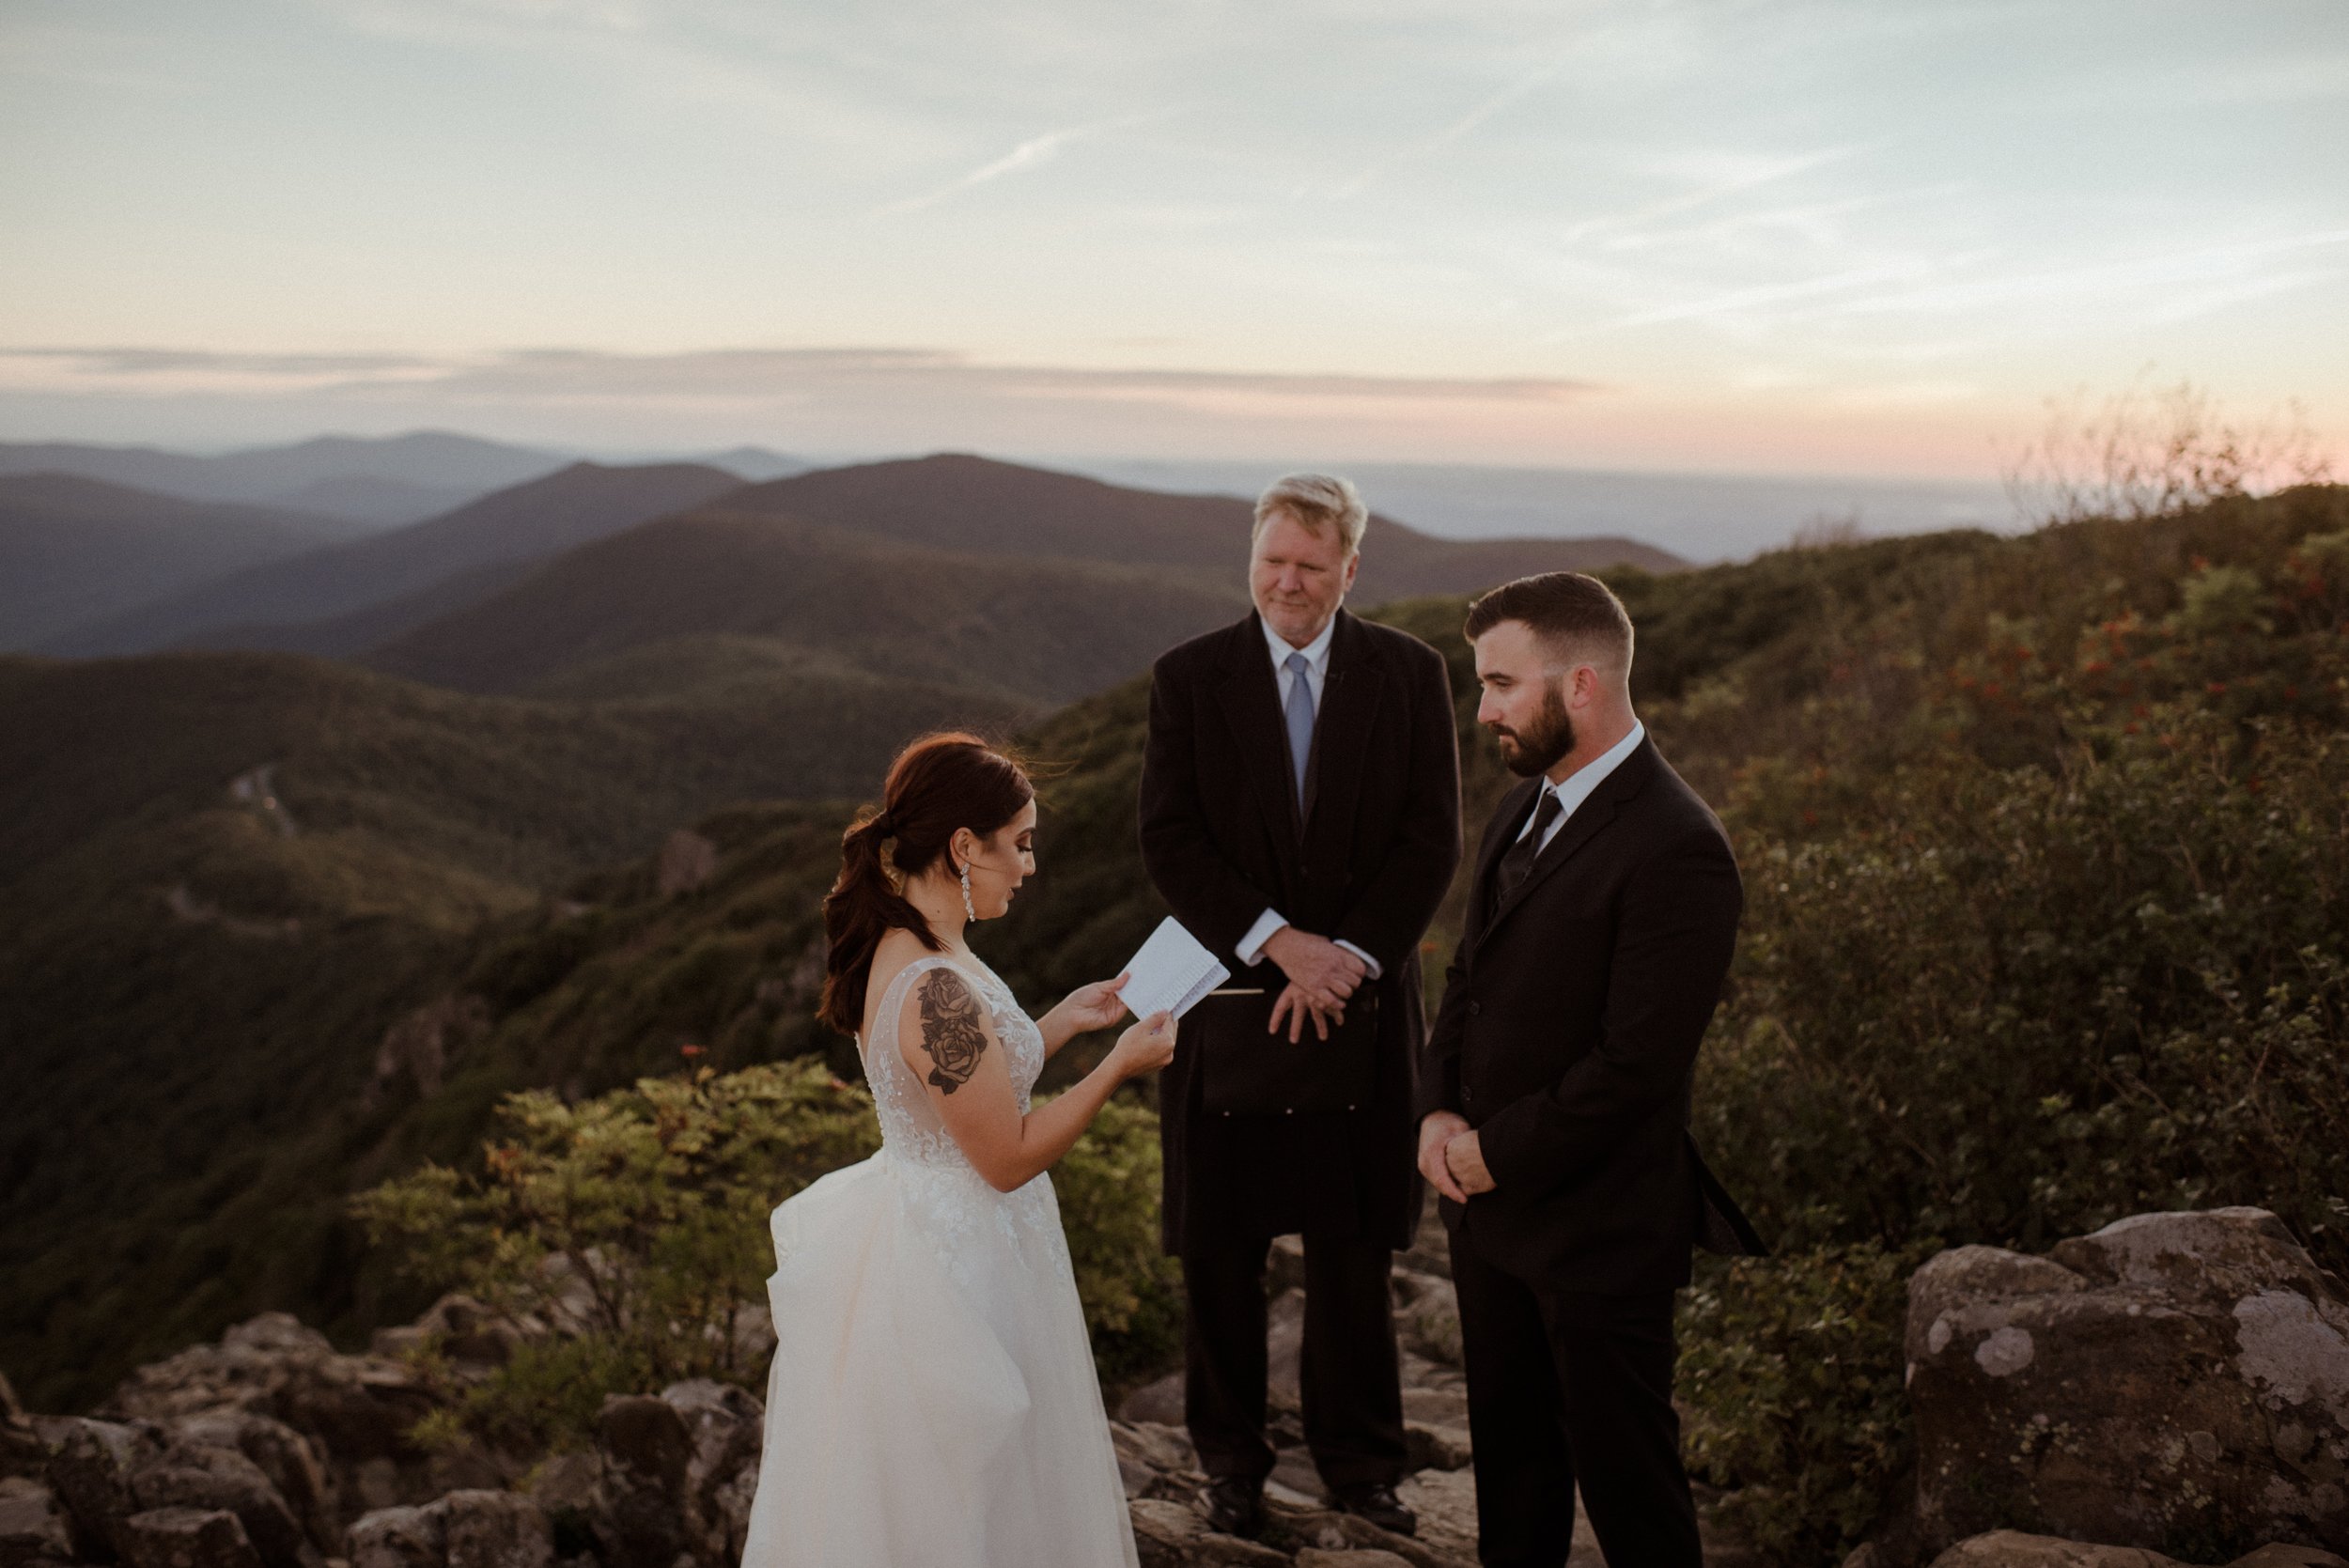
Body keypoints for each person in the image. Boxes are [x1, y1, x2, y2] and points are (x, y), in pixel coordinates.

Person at [740, 730, 1177, 1568]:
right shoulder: (934, 981)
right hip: (961, 1268)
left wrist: (1060, 1024)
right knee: (977, 1492)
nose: (1029, 865)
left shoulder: (917, 952)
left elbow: (961, 1088)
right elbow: (1005, 1155)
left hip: (937, 1233)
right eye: (1020, 844)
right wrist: (1118, 1067)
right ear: (963, 846)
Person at [1415, 572, 1765, 1568]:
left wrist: (1493, 1153)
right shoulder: (1519, 812)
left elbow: (1638, 1065)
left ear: (1580, 685)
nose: (1481, 709)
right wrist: (1436, 1113)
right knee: (1513, 1490)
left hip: (1602, 1231)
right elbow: (1469, 978)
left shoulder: (1680, 846)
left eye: (1499, 683)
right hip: (1487, 1221)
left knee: (1631, 1496)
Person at [1139, 474, 1463, 1538]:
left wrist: (1349, 959)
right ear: (1253, 558)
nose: (1287, 581)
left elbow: (1430, 839)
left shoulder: (1408, 675)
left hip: (1361, 1002)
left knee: (1353, 1243)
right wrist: (1280, 943)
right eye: (1272, 561)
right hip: (1231, 993)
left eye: (1310, 567)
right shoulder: (1188, 678)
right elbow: (1170, 842)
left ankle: (1361, 1468)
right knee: (1222, 1248)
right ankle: (1229, 1464)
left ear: (1348, 570)